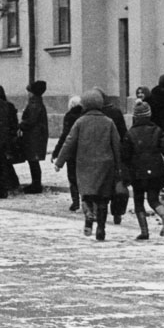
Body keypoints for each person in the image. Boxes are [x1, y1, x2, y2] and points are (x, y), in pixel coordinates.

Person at [54, 89, 121, 241]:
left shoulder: (80, 122)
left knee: (86, 195)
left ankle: (89, 217)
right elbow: (116, 145)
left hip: (85, 164)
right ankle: (101, 229)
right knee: (103, 199)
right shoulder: (108, 122)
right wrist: (119, 165)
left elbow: (69, 142)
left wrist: (60, 161)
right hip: (105, 165)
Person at [121, 100, 164, 240]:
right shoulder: (157, 130)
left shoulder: (130, 134)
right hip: (156, 171)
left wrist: (125, 175)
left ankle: (144, 231)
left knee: (139, 202)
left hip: (138, 173)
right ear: (149, 115)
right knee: (153, 199)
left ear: (135, 117)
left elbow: (125, 157)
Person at [93, 87, 128, 223]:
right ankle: (117, 213)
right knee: (115, 184)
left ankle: (100, 212)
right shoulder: (115, 112)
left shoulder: (94, 114)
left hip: (100, 154)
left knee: (101, 185)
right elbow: (124, 133)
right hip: (115, 153)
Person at [52, 95, 83, 211]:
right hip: (83, 150)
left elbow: (65, 136)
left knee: (72, 177)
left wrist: (56, 152)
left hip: (72, 151)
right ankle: (85, 200)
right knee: (83, 177)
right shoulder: (84, 115)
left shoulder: (69, 116)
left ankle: (75, 202)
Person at [19, 80, 49, 194]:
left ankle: (36, 185)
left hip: (33, 137)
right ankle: (35, 184)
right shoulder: (37, 103)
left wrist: (21, 125)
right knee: (33, 161)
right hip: (36, 136)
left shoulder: (34, 104)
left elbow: (30, 121)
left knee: (33, 161)